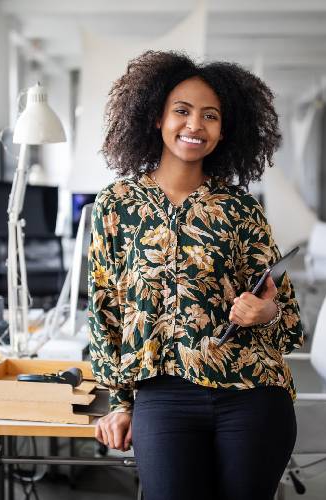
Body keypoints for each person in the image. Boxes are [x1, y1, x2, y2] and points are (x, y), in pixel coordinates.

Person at [87, 50, 304, 500]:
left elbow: (288, 318)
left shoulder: (240, 208)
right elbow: (105, 308)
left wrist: (265, 311)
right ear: (155, 118)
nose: (194, 125)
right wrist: (120, 402)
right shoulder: (117, 205)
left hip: (251, 391)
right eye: (181, 111)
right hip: (163, 396)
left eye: (210, 116)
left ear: (224, 130)